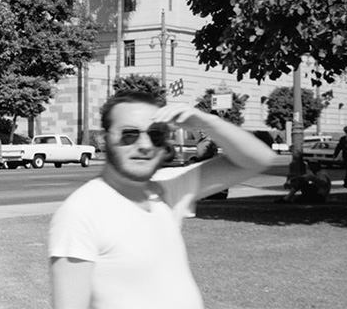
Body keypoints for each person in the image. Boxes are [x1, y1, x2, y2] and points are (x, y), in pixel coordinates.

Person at [48, 91, 273, 309]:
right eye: (129, 134)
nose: (145, 145)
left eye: (155, 135)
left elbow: (258, 160)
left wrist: (207, 122)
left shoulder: (167, 190)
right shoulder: (82, 212)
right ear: (104, 140)